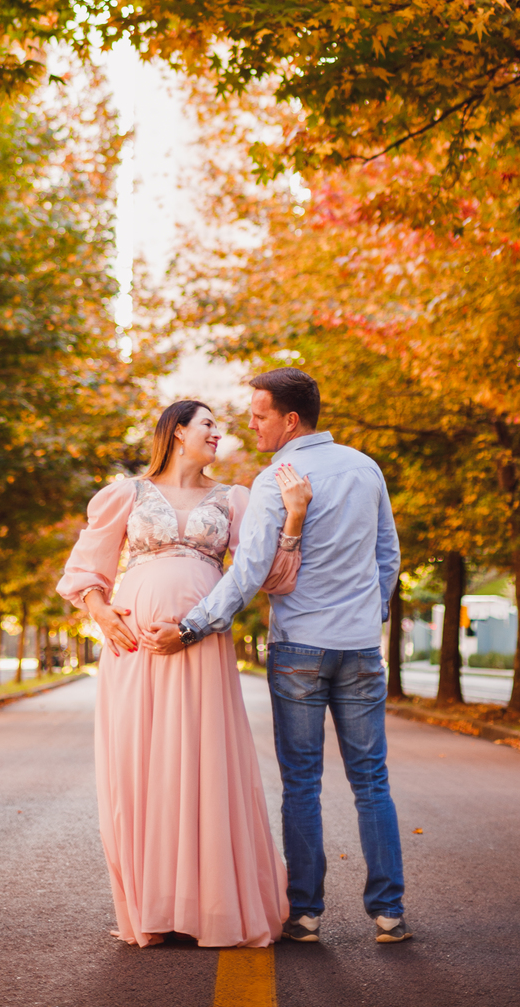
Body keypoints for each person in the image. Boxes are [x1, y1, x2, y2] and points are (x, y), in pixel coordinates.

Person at [143, 367, 408, 945]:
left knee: (302, 784)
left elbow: (251, 570)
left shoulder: (275, 480)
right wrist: (371, 615)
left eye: (259, 415)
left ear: (290, 420)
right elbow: (388, 555)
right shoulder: (366, 468)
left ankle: (307, 915)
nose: (252, 424)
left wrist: (192, 626)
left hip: (301, 650)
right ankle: (389, 913)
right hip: (360, 647)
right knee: (372, 780)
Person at [58, 397, 313, 948]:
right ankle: (154, 908)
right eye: (208, 425)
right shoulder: (126, 493)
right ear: (176, 432)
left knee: (202, 766)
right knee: (140, 768)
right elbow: (85, 569)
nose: (219, 433)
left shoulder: (234, 499)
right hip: (132, 651)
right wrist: (101, 613)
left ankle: (210, 908)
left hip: (201, 647)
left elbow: (272, 575)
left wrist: (293, 517)